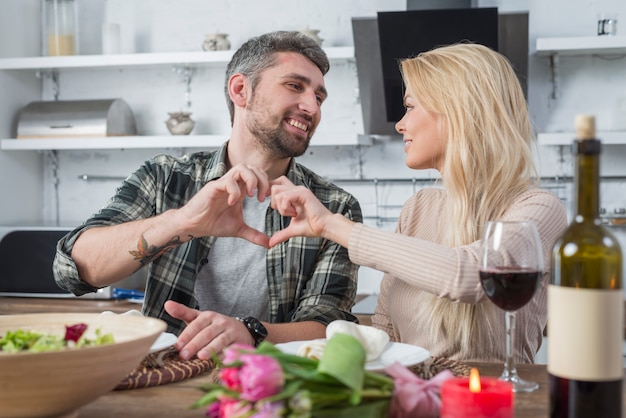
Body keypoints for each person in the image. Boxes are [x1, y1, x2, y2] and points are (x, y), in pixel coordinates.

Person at [53, 31, 362, 361]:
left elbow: (329, 325)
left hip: (272, 384)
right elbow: (73, 269)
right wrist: (183, 221)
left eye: (319, 97)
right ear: (241, 90)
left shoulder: (333, 207)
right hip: (164, 376)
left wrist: (249, 332)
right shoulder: (165, 178)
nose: (311, 106)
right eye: (295, 86)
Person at [269, 43, 568, 363]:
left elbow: (472, 275)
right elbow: (385, 331)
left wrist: (332, 224)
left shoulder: (539, 210)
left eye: (410, 106)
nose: (400, 124)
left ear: (457, 111)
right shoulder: (419, 208)